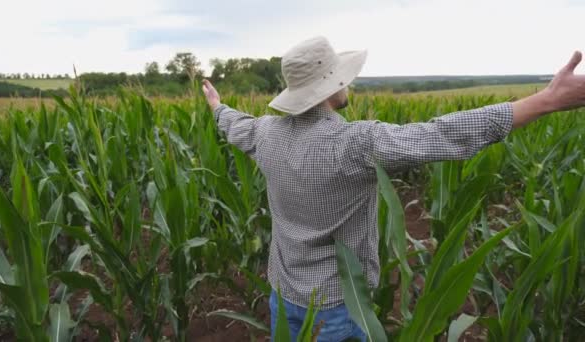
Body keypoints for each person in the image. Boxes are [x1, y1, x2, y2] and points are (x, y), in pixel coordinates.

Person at [201, 36, 585, 341]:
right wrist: (546, 101)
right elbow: (442, 134)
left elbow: (233, 124)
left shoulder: (265, 133)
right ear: (332, 86)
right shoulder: (354, 144)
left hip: (282, 298)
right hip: (339, 306)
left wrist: (217, 105)